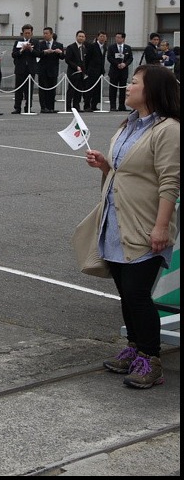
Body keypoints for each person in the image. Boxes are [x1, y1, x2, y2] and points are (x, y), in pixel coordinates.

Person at [81, 64, 179, 389]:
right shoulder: (129, 125)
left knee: (138, 294)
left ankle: (151, 360)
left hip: (145, 223)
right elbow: (123, 172)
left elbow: (170, 182)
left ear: (151, 90)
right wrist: (104, 167)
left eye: (134, 82)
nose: (127, 86)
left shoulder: (168, 130)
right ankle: (135, 349)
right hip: (116, 220)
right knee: (125, 292)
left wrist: (162, 227)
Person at [34, 26, 64, 113]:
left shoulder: (58, 45)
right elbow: (37, 54)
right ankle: (43, 107)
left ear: (51, 34)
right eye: (44, 33)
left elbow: (62, 57)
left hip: (53, 70)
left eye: (46, 33)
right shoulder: (40, 44)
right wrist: (45, 52)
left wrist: (60, 52)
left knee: (52, 89)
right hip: (43, 70)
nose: (45, 35)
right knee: (43, 89)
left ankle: (51, 107)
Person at [10, 24, 37, 114]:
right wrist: (21, 50)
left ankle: (28, 107)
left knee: (29, 90)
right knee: (19, 89)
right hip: (20, 69)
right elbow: (14, 54)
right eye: (25, 33)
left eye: (29, 33)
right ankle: (17, 107)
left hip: (30, 69)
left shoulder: (35, 42)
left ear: (31, 33)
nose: (27, 34)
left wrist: (31, 49)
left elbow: (39, 53)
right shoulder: (18, 42)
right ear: (23, 33)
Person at [106, 32, 133, 112]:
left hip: (123, 71)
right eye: (116, 37)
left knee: (122, 89)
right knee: (113, 89)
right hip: (114, 70)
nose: (117, 39)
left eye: (119, 37)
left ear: (123, 39)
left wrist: (125, 64)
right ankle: (113, 106)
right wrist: (117, 64)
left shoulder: (127, 48)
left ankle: (122, 105)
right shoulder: (111, 47)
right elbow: (109, 57)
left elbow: (130, 58)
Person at [65, 30, 89, 113]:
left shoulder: (84, 48)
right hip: (73, 72)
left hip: (82, 73)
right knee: (71, 90)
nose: (81, 38)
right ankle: (68, 106)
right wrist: (76, 67)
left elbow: (84, 60)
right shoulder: (71, 47)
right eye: (80, 36)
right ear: (76, 37)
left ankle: (76, 106)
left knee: (79, 90)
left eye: (83, 37)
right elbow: (67, 60)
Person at [85, 31, 108, 112]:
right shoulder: (92, 46)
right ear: (98, 37)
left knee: (97, 89)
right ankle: (87, 105)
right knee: (90, 88)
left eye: (104, 37)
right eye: (101, 36)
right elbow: (87, 58)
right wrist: (86, 70)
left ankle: (94, 105)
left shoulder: (105, 47)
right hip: (92, 70)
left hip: (100, 71)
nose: (102, 38)